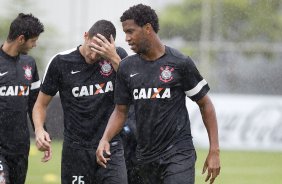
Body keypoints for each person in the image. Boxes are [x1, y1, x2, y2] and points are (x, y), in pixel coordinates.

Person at [96, 4, 221, 184]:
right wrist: (105, 139)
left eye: (131, 31)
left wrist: (214, 150)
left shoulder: (180, 63)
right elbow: (120, 111)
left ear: (148, 28)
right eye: (125, 32)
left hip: (178, 153)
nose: (127, 38)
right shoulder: (126, 67)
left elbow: (205, 105)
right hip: (145, 157)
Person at [32, 20, 128, 184]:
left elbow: (132, 89)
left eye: (100, 52)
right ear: (85, 36)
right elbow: (40, 105)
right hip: (76, 150)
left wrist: (114, 58)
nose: (94, 56)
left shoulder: (118, 58)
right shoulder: (60, 62)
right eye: (92, 48)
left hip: (110, 145)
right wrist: (40, 129)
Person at [0, 13, 44, 184]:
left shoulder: (30, 64)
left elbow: (35, 104)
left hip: (19, 147)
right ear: (20, 39)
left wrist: (41, 132)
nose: (35, 44)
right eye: (33, 40)